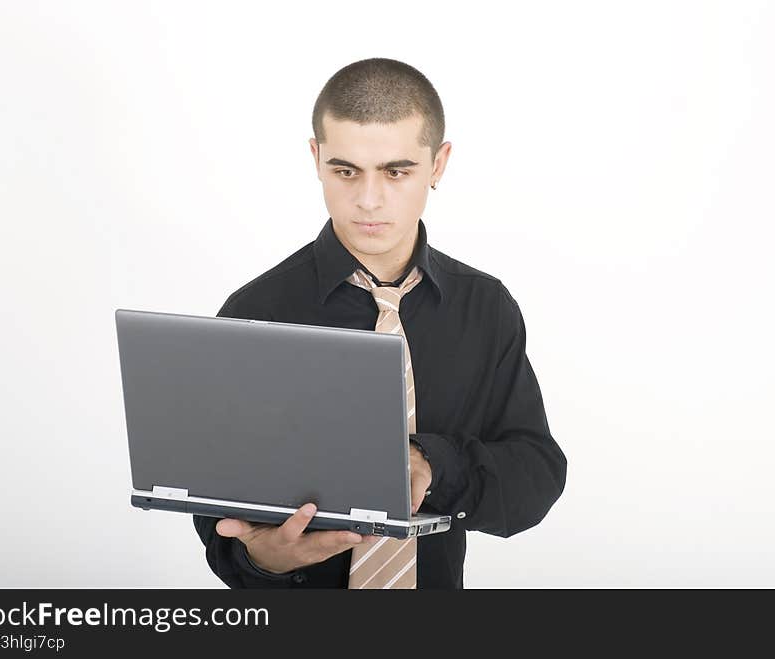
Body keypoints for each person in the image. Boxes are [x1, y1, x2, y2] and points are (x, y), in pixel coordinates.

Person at [192, 57, 567, 589]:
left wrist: (431, 466)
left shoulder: (486, 308)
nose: (369, 200)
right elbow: (217, 524)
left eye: (396, 171)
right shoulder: (254, 312)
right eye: (346, 171)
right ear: (316, 159)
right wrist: (266, 561)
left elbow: (535, 478)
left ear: (437, 166)